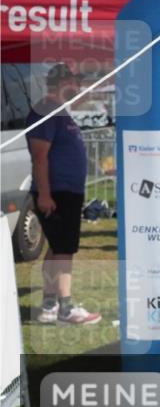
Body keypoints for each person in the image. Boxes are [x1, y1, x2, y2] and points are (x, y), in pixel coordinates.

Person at [27, 63, 101, 325]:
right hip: (57, 192)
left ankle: (49, 305)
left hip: (65, 191)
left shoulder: (59, 111)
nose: (79, 86)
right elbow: (39, 156)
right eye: (75, 81)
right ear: (62, 82)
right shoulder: (46, 110)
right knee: (64, 251)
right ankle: (66, 308)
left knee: (56, 248)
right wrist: (45, 194)